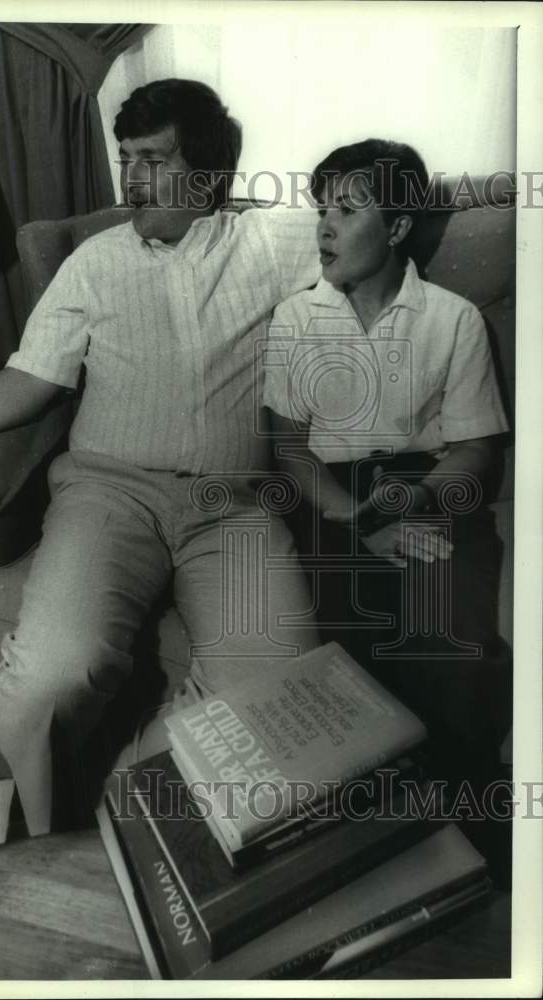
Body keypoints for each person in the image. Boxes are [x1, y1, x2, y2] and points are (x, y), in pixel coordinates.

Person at [0, 78, 323, 836]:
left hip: (231, 507)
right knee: (48, 679)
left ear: (208, 174)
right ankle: (42, 830)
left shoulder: (274, 241)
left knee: (276, 702)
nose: (131, 177)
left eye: (154, 158)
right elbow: (33, 374)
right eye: (125, 156)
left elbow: (378, 219)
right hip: (108, 496)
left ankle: (129, 802)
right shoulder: (95, 262)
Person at [263, 139, 512, 830]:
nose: (325, 226)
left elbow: (474, 449)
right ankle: (369, 841)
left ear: (398, 227)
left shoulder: (453, 319)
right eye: (322, 209)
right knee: (351, 649)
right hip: (328, 496)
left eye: (347, 209)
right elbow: (289, 449)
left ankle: (472, 836)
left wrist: (409, 500)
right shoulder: (296, 319)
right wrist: (359, 518)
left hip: (424, 486)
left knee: (453, 644)